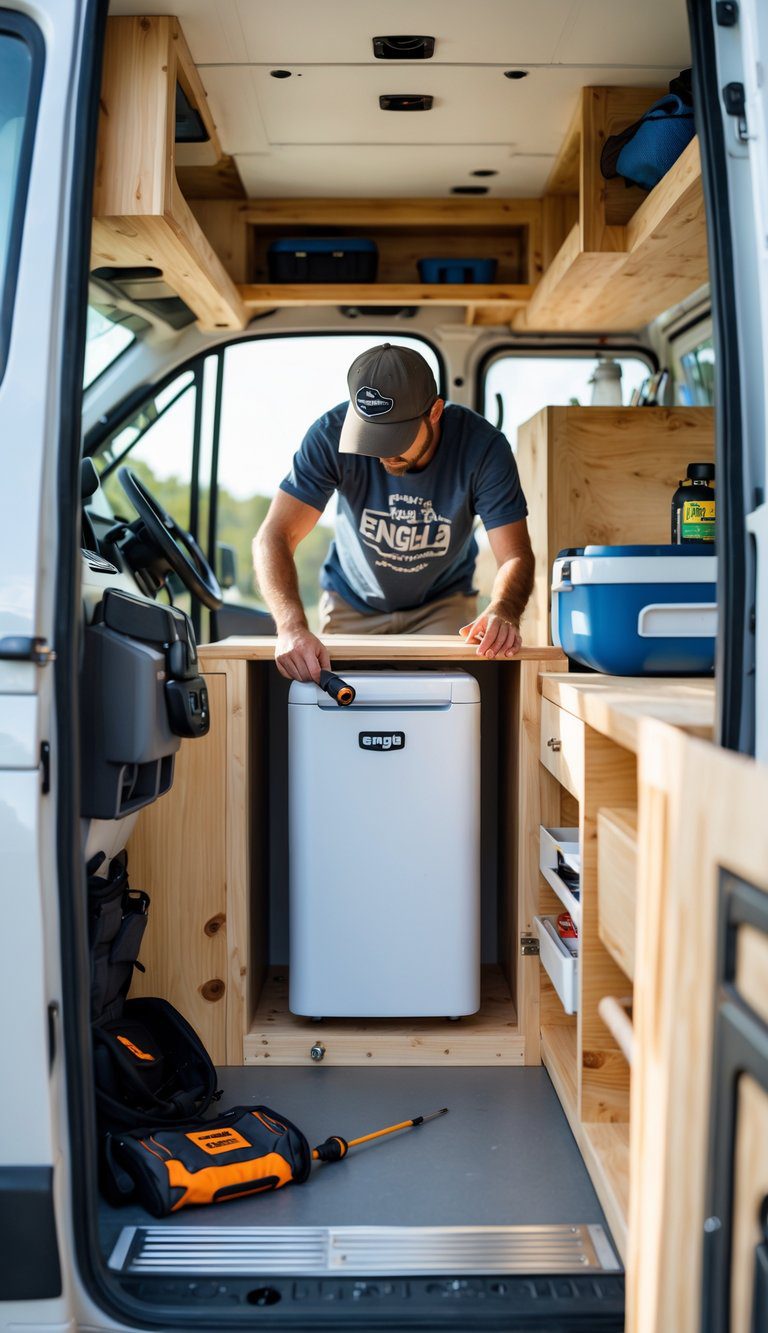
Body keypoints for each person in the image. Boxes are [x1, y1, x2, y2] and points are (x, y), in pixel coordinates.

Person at [254, 342, 534, 683]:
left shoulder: (484, 448)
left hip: (441, 604)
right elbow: (274, 535)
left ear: (434, 412)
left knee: (451, 705)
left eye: (395, 436)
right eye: (371, 437)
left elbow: (514, 554)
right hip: (351, 602)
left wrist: (503, 609)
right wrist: (291, 626)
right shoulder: (329, 435)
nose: (383, 453)